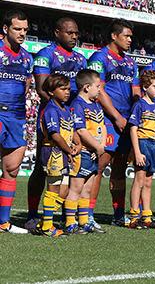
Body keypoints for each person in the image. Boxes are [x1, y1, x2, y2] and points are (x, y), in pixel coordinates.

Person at [27, 17, 86, 229]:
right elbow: (43, 89)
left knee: (67, 170)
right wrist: (61, 111)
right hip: (51, 118)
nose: (74, 36)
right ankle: (33, 215)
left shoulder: (81, 59)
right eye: (69, 32)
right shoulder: (45, 55)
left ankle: (61, 216)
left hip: (72, 118)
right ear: (57, 33)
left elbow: (83, 91)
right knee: (42, 169)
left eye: (76, 33)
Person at [87, 19, 140, 227]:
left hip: (126, 120)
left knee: (119, 169)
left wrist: (136, 111)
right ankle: (87, 213)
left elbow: (136, 90)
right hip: (106, 119)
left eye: (131, 37)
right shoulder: (100, 58)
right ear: (114, 36)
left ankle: (118, 214)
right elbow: (98, 90)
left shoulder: (130, 63)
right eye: (126, 36)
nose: (129, 40)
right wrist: (116, 116)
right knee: (98, 167)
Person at [0, 10, 32, 234]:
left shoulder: (27, 57)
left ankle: (3, 222)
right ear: (5, 29)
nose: (22, 33)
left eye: (25, 30)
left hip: (17, 116)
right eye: (17, 29)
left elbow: (27, 86)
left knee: (11, 169)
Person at [38, 74, 81, 237]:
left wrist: (78, 144)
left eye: (69, 89)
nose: (67, 92)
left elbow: (72, 130)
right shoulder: (50, 109)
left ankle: (44, 222)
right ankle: (47, 227)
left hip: (63, 152)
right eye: (63, 89)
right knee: (53, 188)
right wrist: (69, 150)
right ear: (50, 91)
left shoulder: (64, 109)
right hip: (53, 152)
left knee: (64, 190)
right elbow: (55, 135)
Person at [66, 69, 107, 234]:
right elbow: (81, 130)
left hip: (94, 153)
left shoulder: (96, 105)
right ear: (86, 87)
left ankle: (83, 221)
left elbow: (102, 126)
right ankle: (70, 222)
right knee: (75, 188)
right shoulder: (77, 105)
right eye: (97, 86)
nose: (100, 90)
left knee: (87, 189)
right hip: (83, 152)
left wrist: (102, 144)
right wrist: (97, 147)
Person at [127, 70, 155, 229]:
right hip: (143, 144)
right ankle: (134, 216)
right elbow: (133, 129)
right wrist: (137, 151)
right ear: (145, 87)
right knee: (139, 180)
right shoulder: (139, 105)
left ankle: (147, 216)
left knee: (148, 182)